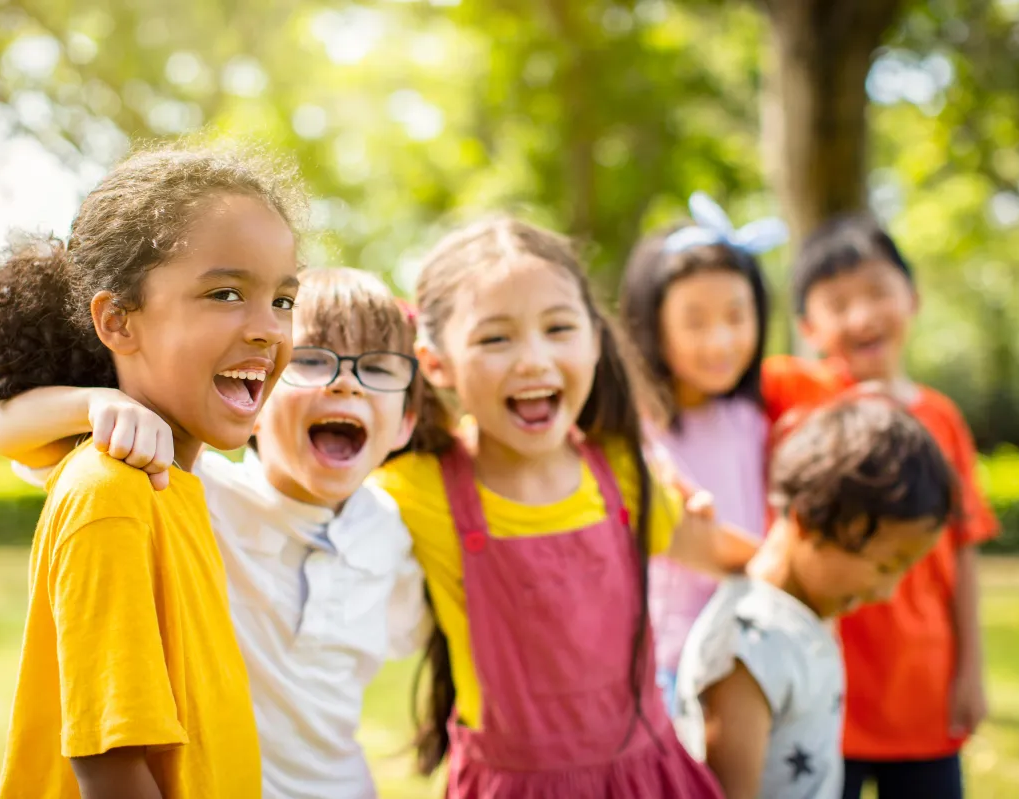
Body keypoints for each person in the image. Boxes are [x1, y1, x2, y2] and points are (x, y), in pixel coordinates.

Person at [0, 268, 431, 799]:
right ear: (250, 399)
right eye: (308, 361)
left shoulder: (393, 529)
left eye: (377, 367)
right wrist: (96, 404)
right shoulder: (186, 486)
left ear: (404, 422)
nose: (346, 382)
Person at [0, 143, 307, 798]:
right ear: (117, 320)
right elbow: (110, 765)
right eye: (225, 293)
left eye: (283, 299)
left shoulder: (178, 484)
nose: (267, 329)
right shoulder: (110, 491)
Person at [371, 217, 759, 798]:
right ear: (435, 362)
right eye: (495, 338)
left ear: (595, 340)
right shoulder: (414, 489)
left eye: (558, 328)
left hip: (646, 778)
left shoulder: (625, 472)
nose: (533, 359)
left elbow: (726, 555)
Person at [761, 214, 999, 799]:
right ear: (807, 326)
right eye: (837, 304)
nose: (861, 317)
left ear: (912, 298)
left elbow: (963, 553)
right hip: (822, 692)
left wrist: (971, 669)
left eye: (876, 293)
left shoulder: (943, 420)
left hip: (923, 691)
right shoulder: (799, 392)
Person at [675, 394, 954, 799]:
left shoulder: (804, 612)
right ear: (808, 520)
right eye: (883, 566)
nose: (887, 591)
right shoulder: (748, 645)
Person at [620, 191, 786, 713]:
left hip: (753, 656)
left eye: (737, 316)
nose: (720, 342)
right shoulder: (635, 431)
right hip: (669, 668)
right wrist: (797, 578)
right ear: (653, 324)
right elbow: (695, 543)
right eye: (694, 322)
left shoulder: (752, 419)